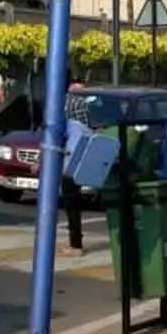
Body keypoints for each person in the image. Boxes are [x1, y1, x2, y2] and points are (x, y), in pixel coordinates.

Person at [60, 81, 90, 257]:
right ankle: (75, 241)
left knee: (71, 202)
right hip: (81, 156)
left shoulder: (67, 103)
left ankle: (75, 244)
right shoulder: (83, 103)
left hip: (69, 160)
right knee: (74, 202)